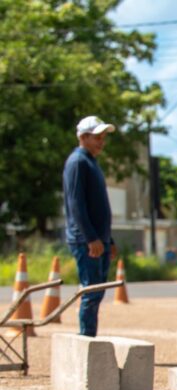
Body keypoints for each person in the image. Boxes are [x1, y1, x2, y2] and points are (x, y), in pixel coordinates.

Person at [63, 116, 118, 337]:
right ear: (83, 137)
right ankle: (86, 340)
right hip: (86, 239)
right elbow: (76, 204)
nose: (101, 142)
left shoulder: (92, 162)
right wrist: (90, 238)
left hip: (99, 238)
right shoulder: (77, 162)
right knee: (91, 290)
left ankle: (89, 337)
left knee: (97, 290)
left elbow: (99, 207)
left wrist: (108, 239)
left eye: (103, 137)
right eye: (97, 137)